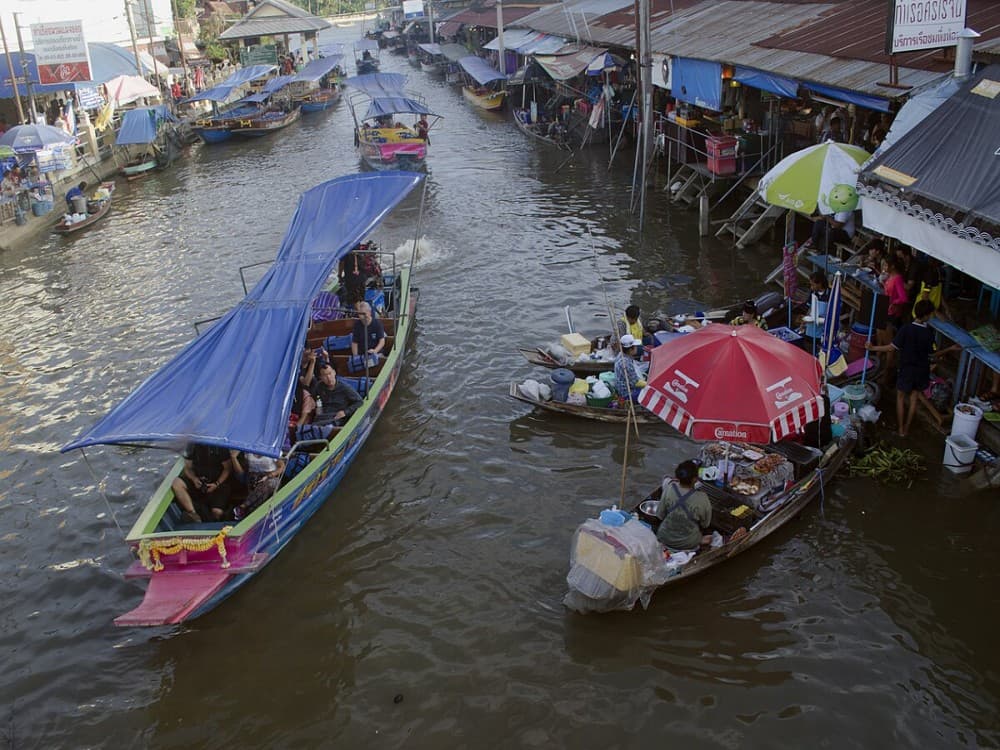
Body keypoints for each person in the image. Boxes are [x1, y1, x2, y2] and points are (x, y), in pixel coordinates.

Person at [866, 299, 942, 437]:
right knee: (914, 398)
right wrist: (948, 350)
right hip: (922, 370)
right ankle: (907, 428)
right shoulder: (929, 334)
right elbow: (933, 354)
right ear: (927, 315)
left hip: (906, 368)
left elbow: (891, 348)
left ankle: (900, 429)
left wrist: (873, 347)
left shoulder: (906, 329)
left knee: (900, 397)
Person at [655, 460, 713, 552]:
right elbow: (705, 524)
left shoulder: (669, 488)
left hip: (664, 537)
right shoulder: (702, 498)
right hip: (688, 544)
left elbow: (660, 515)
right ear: (695, 479)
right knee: (710, 537)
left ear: (677, 477)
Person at [170, 442, 232, 523]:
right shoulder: (191, 446)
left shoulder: (220, 447)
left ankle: (216, 520)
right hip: (198, 482)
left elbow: (227, 468)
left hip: (218, 484)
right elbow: (187, 468)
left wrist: (216, 484)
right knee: (177, 483)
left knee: (217, 512)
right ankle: (193, 514)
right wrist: (194, 479)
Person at [229, 450, 286, 521]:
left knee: (268, 484)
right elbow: (242, 471)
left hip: (271, 476)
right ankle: (249, 513)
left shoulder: (272, 449)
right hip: (254, 476)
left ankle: (243, 507)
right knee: (259, 489)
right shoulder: (248, 450)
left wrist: (269, 476)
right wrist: (234, 457)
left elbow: (282, 467)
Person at [309, 362, 362, 428]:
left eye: (330, 373)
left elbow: (359, 401)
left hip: (338, 417)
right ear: (321, 377)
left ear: (334, 372)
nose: (328, 377)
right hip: (323, 416)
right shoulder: (318, 386)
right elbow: (314, 398)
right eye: (325, 375)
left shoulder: (344, 387)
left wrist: (345, 412)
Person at [613, 335, 643, 401]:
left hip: (623, 387)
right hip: (626, 393)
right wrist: (648, 384)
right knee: (649, 393)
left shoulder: (621, 354)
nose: (636, 348)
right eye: (635, 347)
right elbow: (635, 383)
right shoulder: (626, 363)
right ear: (630, 349)